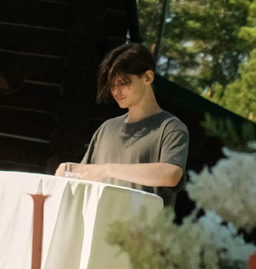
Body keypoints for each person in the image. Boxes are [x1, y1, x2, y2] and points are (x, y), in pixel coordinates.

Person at [56, 42, 188, 193]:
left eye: (123, 83)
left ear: (147, 77)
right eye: (112, 85)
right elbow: (85, 177)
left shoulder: (171, 128)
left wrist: (108, 169)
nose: (116, 91)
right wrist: (69, 170)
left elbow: (171, 174)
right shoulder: (106, 129)